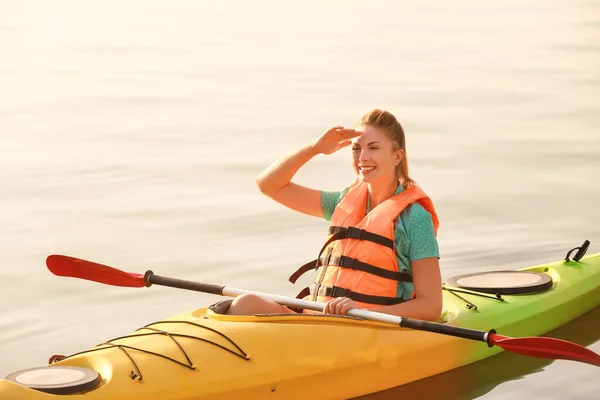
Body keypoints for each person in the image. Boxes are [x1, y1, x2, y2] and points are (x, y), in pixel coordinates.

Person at [226, 109, 442, 321]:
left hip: (372, 328)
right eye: (356, 149)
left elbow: (431, 306)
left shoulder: (414, 217)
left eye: (374, 148)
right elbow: (268, 185)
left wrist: (364, 313)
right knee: (245, 303)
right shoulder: (341, 203)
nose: (363, 157)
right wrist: (314, 148)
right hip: (323, 320)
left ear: (397, 156)